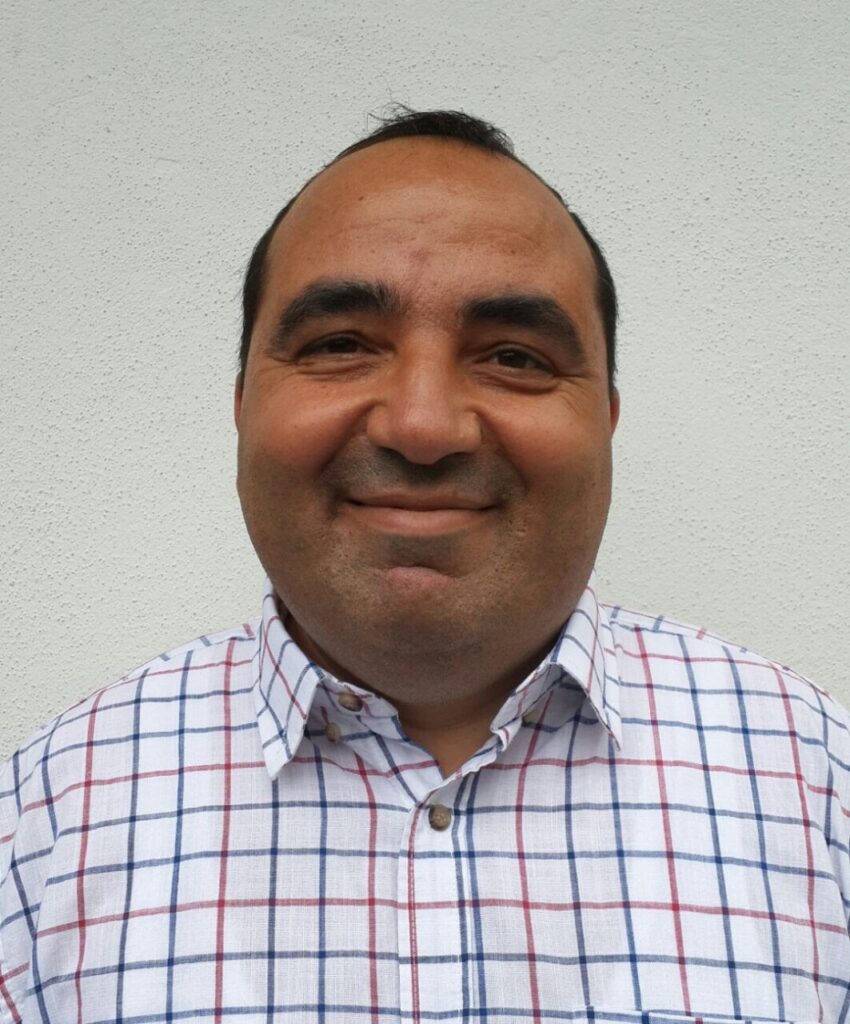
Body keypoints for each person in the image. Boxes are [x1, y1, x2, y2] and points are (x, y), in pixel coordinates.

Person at [1, 108, 848, 1024]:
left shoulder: (821, 789)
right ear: (243, 404)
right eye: (340, 345)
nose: (422, 424)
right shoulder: (42, 823)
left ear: (605, 420)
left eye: (514, 357)